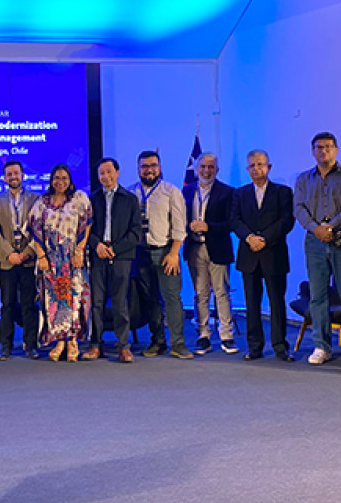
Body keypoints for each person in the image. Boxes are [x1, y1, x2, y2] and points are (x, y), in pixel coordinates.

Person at [293, 132, 341, 368]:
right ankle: (322, 346)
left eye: (327, 147)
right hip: (314, 242)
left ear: (336, 150)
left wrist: (331, 227)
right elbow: (299, 208)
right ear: (312, 151)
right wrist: (317, 229)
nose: (323, 151)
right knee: (318, 297)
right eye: (318, 147)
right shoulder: (304, 179)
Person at [230, 150, 295, 362]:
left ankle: (280, 347)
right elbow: (234, 220)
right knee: (252, 303)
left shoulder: (283, 192)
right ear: (247, 169)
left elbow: (287, 220)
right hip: (249, 255)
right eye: (252, 165)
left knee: (277, 302)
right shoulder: (240, 193)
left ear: (269, 167)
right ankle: (254, 347)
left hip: (273, 254)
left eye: (260, 164)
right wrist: (249, 238)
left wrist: (264, 239)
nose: (256, 169)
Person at [129, 151, 192, 359]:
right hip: (140, 253)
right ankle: (158, 342)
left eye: (153, 165)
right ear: (138, 169)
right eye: (144, 166)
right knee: (150, 300)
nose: (149, 170)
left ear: (160, 167)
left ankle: (178, 343)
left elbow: (179, 225)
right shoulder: (131, 193)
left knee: (172, 298)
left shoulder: (171, 191)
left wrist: (174, 253)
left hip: (165, 252)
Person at [29, 164, 92, 362]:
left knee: (74, 298)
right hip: (50, 262)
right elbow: (34, 230)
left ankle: (72, 341)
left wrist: (79, 251)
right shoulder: (42, 203)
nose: (60, 181)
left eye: (64, 178)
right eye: (56, 178)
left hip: (72, 259)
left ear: (70, 180)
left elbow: (86, 225)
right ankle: (60, 341)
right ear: (51, 180)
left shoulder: (79, 198)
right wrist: (41, 256)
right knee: (53, 301)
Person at [84, 158, 141, 363]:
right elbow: (85, 229)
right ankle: (95, 344)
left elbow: (136, 232)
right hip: (98, 255)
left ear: (117, 173)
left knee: (120, 302)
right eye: (101, 173)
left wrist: (115, 249)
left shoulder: (130, 199)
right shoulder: (92, 199)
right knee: (96, 302)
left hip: (121, 256)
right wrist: (97, 245)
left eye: (109, 172)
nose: (105, 176)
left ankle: (123, 346)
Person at [182, 152, 237, 355]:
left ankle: (226, 336)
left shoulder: (228, 192)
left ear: (217, 170)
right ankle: (203, 335)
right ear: (196, 169)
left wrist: (208, 227)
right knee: (200, 294)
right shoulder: (186, 191)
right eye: (203, 167)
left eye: (211, 167)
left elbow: (232, 223)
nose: (206, 171)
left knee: (222, 293)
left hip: (218, 248)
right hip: (194, 248)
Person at [0, 160, 41, 360]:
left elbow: (39, 229)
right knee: (7, 304)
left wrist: (28, 252)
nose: (13, 177)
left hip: (28, 260)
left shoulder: (36, 199)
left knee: (29, 305)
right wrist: (9, 253)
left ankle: (31, 345)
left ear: (22, 175)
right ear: (4, 178)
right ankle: (6, 346)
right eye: (9, 174)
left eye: (16, 173)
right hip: (7, 261)